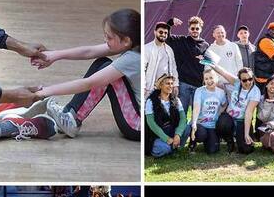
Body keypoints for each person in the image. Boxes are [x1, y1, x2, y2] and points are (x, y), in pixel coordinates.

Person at [17, 8, 141, 141]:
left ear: (126, 40)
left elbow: (88, 83)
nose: (105, 39)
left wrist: (41, 93)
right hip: (134, 118)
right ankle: (69, 114)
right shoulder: (132, 46)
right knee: (102, 62)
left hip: (135, 126)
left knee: (105, 71)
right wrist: (53, 55)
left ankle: (72, 120)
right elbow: (89, 51)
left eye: (109, 37)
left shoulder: (133, 58)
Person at [210, 65, 260, 154]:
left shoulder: (256, 92)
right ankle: (229, 140)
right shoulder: (236, 83)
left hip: (243, 120)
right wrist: (209, 63)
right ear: (240, 80)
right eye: (244, 80)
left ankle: (239, 137)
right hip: (229, 117)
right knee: (222, 124)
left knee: (246, 149)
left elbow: (249, 113)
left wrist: (246, 134)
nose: (248, 82)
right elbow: (223, 71)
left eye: (250, 79)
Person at [166, 16, 209, 114]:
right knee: (181, 113)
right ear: (189, 29)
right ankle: (181, 129)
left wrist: (204, 60)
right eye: (192, 28)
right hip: (183, 84)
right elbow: (166, 37)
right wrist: (170, 23)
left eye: (197, 28)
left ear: (201, 29)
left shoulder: (206, 45)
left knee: (197, 114)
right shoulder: (182, 40)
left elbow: (209, 63)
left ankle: (194, 129)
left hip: (198, 86)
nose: (195, 30)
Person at [144, 74, 190, 157]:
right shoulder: (150, 101)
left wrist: (178, 134)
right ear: (161, 85)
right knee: (164, 148)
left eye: (172, 83)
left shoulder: (176, 99)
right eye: (167, 83)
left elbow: (183, 118)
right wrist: (166, 138)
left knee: (187, 128)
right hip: (158, 135)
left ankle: (174, 145)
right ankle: (170, 148)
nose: (170, 86)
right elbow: (151, 123)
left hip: (172, 131)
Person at [190, 68, 227, 154]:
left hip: (212, 125)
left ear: (216, 78)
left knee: (212, 150)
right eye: (206, 79)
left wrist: (219, 112)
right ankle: (192, 144)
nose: (209, 81)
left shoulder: (221, 92)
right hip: (200, 124)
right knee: (201, 134)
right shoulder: (199, 91)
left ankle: (209, 140)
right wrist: (194, 123)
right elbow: (196, 107)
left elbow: (224, 104)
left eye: (211, 78)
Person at [144, 21, 178, 101]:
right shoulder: (147, 48)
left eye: (165, 33)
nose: (163, 34)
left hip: (166, 89)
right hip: (150, 88)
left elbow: (173, 68)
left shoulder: (169, 50)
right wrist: (143, 87)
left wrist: (175, 84)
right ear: (155, 32)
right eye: (161, 32)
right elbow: (142, 69)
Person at [206, 25, 243, 98]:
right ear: (213, 34)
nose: (220, 34)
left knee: (233, 108)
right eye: (218, 33)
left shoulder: (233, 46)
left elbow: (240, 64)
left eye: (222, 32)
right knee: (220, 108)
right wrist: (214, 83)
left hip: (233, 84)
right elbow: (207, 68)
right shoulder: (210, 49)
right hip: (218, 85)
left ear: (225, 33)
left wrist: (238, 81)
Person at [253, 22, 274, 89]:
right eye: (272, 29)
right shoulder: (265, 40)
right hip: (265, 79)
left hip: (273, 77)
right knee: (264, 98)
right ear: (268, 30)